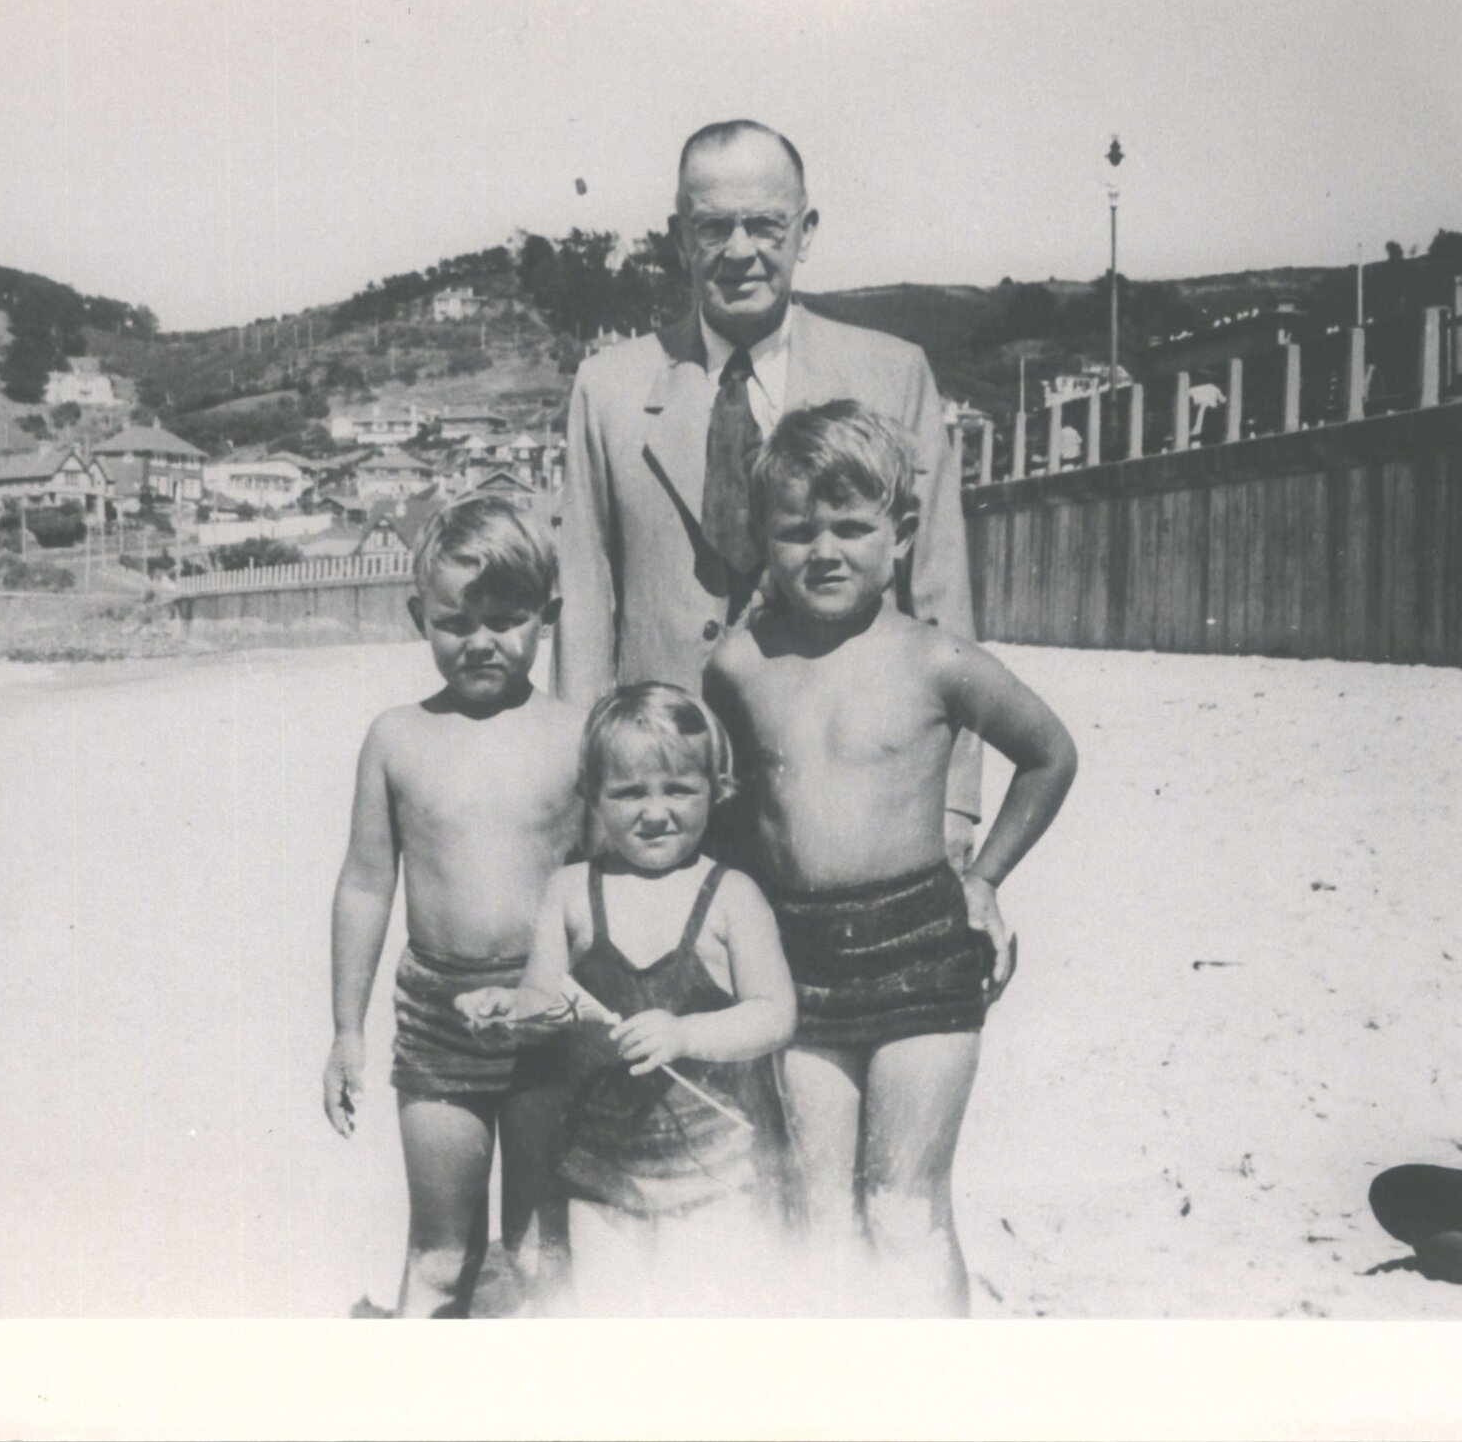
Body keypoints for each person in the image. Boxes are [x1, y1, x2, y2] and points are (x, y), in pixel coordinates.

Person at [702, 401, 1078, 1316]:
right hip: (798, 968)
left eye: (851, 526)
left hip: (922, 955)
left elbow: (1049, 753)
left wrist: (983, 877)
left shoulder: (934, 659)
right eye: (795, 530)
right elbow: (724, 809)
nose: (823, 550)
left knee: (903, 1207)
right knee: (821, 1213)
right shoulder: (738, 666)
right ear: (762, 538)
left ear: (900, 534)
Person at [552, 118, 984, 870]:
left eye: (765, 224)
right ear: (679, 239)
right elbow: (585, 612)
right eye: (713, 226)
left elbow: (941, 600)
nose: (740, 250)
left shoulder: (892, 374)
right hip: (663, 798)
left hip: (848, 779)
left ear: (805, 230)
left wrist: (953, 800)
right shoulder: (609, 389)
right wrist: (583, 800)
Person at [323, 496, 586, 1317]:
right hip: (437, 1014)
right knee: (440, 1250)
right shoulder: (397, 737)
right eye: (454, 621)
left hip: (550, 1013)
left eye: (506, 619)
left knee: (542, 1247)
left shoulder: (579, 734)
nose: (480, 642)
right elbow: (366, 883)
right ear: (417, 617)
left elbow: (615, 882)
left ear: (548, 615)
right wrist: (345, 1029)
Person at [455, 683, 797, 1315]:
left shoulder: (731, 895)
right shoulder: (570, 891)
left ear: (716, 789)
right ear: (593, 796)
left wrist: (687, 1034)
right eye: (630, 792)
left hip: (715, 1179)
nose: (656, 811)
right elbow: (547, 998)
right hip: (602, 1181)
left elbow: (776, 1014)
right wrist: (509, 1009)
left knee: (702, 1334)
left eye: (679, 789)